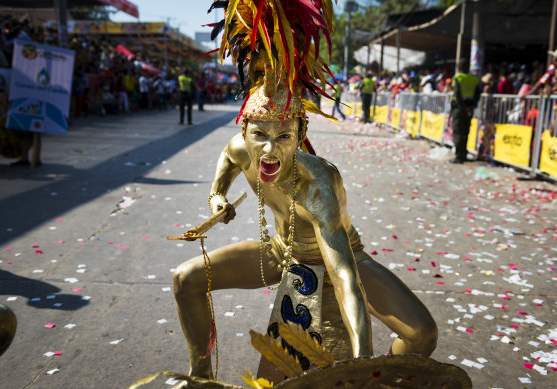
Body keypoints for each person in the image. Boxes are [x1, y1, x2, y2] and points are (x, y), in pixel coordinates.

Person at [172, 0, 436, 385]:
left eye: (283, 137)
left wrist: (362, 364)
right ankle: (198, 377)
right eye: (259, 134)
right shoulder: (237, 149)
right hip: (283, 251)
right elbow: (223, 173)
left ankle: (382, 375)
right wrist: (217, 198)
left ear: (300, 137)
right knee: (186, 278)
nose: (269, 149)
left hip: (339, 261)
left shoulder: (319, 186)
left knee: (422, 333)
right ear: (243, 131)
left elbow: (345, 276)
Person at [449, 58, 480, 164]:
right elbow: (477, 95)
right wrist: (471, 107)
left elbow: (457, 94)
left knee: (458, 132)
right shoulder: (474, 79)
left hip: (459, 109)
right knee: (466, 131)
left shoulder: (458, 78)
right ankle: (464, 153)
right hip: (469, 109)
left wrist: (464, 107)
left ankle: (459, 156)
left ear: (459, 67)